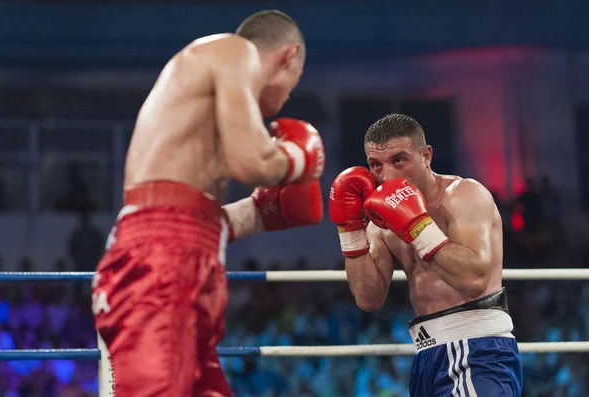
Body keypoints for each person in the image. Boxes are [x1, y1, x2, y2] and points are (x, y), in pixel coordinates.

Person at [91, 10, 325, 397]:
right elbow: (253, 163)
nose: (285, 101)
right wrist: (300, 158)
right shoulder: (234, 51)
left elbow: (187, 208)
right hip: (162, 258)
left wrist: (255, 215)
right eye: (292, 86)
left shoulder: (206, 113)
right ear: (288, 55)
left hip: (184, 251)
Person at [329, 113, 522, 396]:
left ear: (426, 155)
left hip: (476, 351)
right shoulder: (381, 220)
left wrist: (417, 226)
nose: (388, 175)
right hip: (426, 357)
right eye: (376, 165)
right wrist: (351, 231)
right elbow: (368, 298)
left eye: (399, 160)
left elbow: (475, 280)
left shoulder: (464, 195)